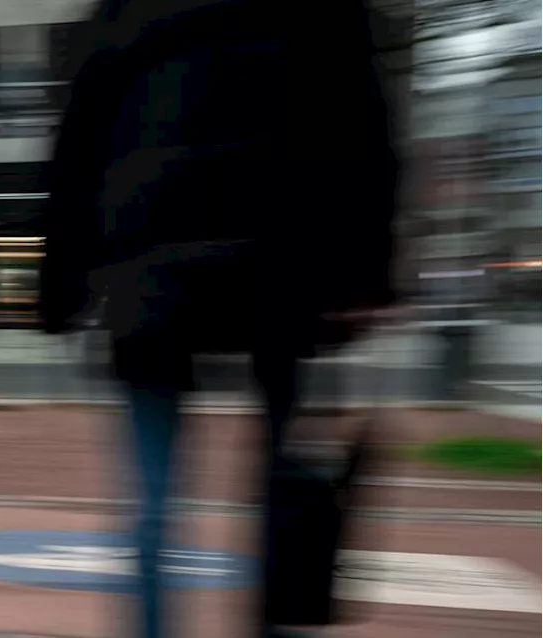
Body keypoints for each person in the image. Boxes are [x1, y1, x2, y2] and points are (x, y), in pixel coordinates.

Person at [38, 1, 399, 637]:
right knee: (280, 484)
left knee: (153, 503)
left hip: (150, 265)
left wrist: (61, 285)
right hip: (279, 253)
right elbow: (362, 119)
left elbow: (78, 140)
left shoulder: (125, 6)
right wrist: (367, 271)